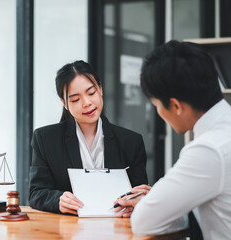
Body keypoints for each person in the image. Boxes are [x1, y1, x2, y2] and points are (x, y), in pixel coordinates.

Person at [114, 40, 231, 239]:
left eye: (156, 104)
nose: (158, 112)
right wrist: (168, 201)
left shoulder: (208, 150)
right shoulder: (230, 128)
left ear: (176, 106)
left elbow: (143, 222)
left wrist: (153, 201)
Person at [29, 60, 150, 215]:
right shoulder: (45, 139)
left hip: (118, 229)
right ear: (64, 103)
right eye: (75, 99)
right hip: (67, 232)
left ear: (100, 89)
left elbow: (138, 194)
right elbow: (36, 193)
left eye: (91, 93)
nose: (87, 103)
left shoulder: (131, 142)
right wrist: (58, 200)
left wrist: (138, 201)